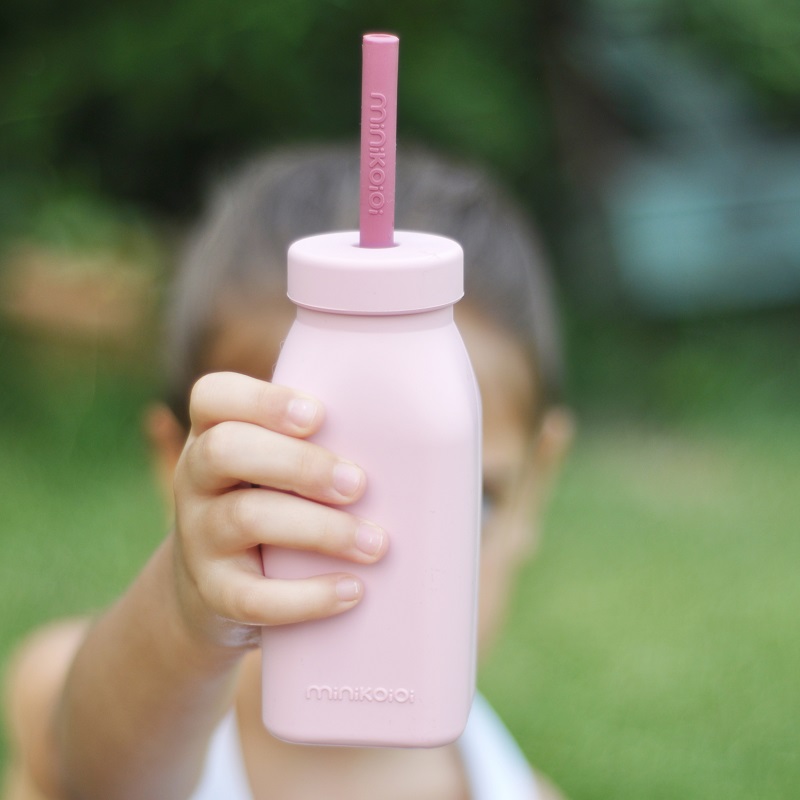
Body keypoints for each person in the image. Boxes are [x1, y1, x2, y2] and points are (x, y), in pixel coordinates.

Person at [2, 144, 574, 799]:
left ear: (536, 484)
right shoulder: (112, 704)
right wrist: (184, 621)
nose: (368, 562)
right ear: (180, 468)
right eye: (281, 495)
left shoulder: (515, 789)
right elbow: (92, 776)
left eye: (468, 500)